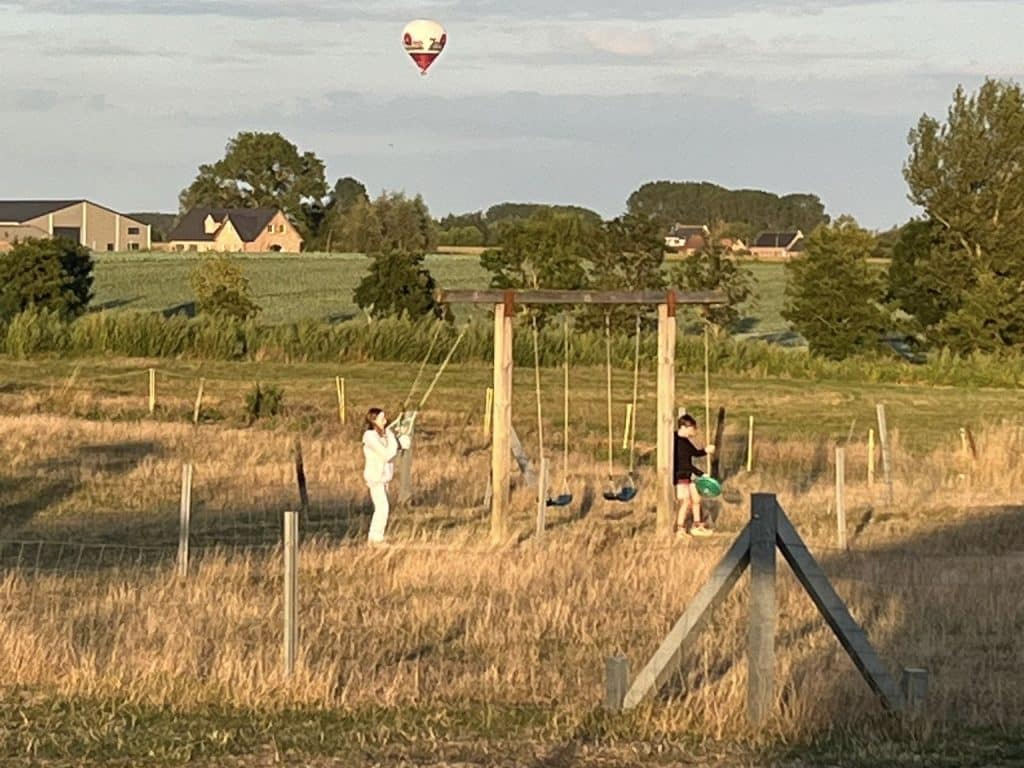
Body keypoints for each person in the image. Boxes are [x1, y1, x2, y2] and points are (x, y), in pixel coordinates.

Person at [362, 408, 411, 545]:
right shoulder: (369, 436)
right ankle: (375, 539)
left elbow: (392, 449)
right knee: (382, 507)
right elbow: (386, 454)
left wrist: (400, 442)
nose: (385, 421)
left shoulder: (385, 434)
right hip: (375, 478)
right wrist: (397, 442)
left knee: (383, 508)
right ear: (373, 420)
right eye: (381, 418)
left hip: (384, 479)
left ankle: (375, 537)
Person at [674, 413, 715, 537]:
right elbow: (684, 464)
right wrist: (701, 474)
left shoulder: (685, 441)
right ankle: (680, 529)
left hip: (688, 475)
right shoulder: (676, 442)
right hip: (680, 476)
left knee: (696, 499)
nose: (694, 432)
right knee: (685, 501)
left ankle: (697, 526)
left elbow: (695, 453)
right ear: (684, 427)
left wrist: (706, 450)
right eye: (692, 429)